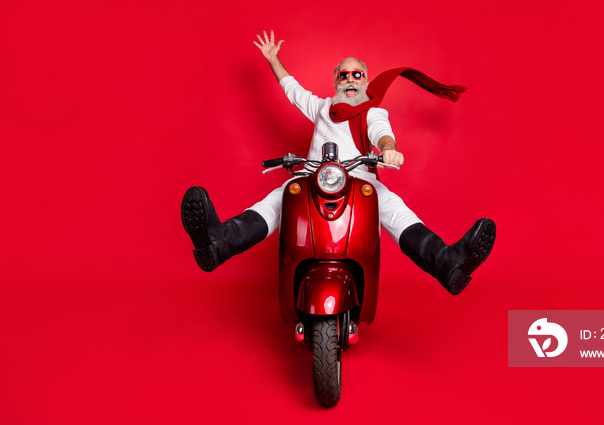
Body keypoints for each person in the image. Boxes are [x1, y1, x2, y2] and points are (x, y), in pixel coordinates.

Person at [181, 30, 496, 295]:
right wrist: (273, 58)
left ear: (365, 81)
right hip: (311, 178)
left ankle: (449, 264)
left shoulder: (372, 113)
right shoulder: (321, 108)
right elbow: (292, 90)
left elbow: (383, 135)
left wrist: (389, 150)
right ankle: (217, 243)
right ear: (335, 82)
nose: (349, 79)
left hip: (360, 182)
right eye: (343, 74)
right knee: (277, 200)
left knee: (395, 211)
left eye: (356, 74)